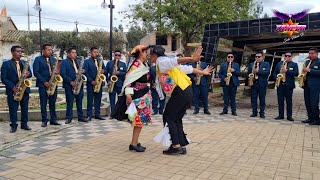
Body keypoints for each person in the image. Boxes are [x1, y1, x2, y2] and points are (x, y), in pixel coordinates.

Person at [149, 45, 213, 155]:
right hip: (186, 92)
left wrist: (192, 59)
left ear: (154, 54)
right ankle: (181, 144)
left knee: (169, 116)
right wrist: (202, 72)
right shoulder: (167, 65)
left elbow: (177, 60)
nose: (149, 57)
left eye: (150, 54)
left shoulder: (161, 61)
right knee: (176, 118)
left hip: (180, 92)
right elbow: (188, 69)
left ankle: (175, 146)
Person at [121, 45, 151, 152]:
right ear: (140, 53)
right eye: (145, 52)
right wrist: (128, 94)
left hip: (143, 95)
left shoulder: (144, 64)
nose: (147, 54)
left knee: (140, 121)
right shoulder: (136, 65)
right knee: (138, 120)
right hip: (138, 96)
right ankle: (133, 143)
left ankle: (135, 141)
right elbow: (128, 79)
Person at [1, 46, 33, 133]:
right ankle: (14, 126)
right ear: (12, 52)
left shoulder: (24, 62)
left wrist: (28, 73)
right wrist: (12, 87)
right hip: (13, 90)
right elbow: (3, 78)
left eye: (21, 51)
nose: (20, 53)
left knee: (25, 108)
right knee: (13, 109)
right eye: (18, 51)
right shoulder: (6, 64)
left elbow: (30, 74)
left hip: (24, 89)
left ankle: (24, 124)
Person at [33, 44, 61, 127]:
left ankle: (53, 119)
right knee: (43, 103)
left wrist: (56, 73)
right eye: (48, 49)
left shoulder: (53, 59)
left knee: (52, 103)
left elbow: (55, 71)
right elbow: (36, 72)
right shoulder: (38, 59)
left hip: (52, 84)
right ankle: (44, 120)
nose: (50, 51)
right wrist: (44, 82)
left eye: (51, 49)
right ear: (43, 50)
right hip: (43, 84)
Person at [60, 47, 88, 124]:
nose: (75, 54)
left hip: (79, 84)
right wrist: (70, 81)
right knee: (70, 102)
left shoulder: (78, 61)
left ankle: (80, 117)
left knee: (79, 101)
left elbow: (84, 70)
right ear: (68, 54)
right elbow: (62, 73)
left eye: (75, 52)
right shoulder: (64, 62)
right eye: (73, 52)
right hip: (69, 85)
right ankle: (69, 118)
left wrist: (83, 71)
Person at [273, 51, 299, 121]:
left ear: (291, 57)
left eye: (289, 56)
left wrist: (287, 71)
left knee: (289, 101)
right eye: (286, 56)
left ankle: (289, 116)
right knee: (280, 101)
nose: (287, 57)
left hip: (289, 85)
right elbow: (275, 72)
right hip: (280, 85)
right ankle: (280, 115)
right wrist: (277, 77)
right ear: (284, 56)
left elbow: (296, 73)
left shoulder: (294, 64)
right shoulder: (279, 63)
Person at [83, 47, 106, 121]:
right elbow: (86, 72)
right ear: (90, 53)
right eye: (94, 52)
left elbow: (105, 70)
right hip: (91, 83)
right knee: (90, 100)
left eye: (97, 52)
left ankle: (97, 114)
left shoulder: (100, 60)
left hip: (99, 83)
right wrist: (91, 81)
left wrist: (103, 71)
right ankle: (89, 115)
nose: (96, 53)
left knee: (98, 100)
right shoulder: (87, 61)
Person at [247, 52, 270, 118]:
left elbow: (267, 72)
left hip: (262, 84)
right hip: (254, 83)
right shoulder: (252, 64)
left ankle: (262, 113)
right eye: (256, 57)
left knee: (262, 99)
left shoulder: (266, 64)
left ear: (262, 57)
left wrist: (258, 72)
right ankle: (254, 112)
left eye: (259, 57)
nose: (257, 58)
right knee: (253, 99)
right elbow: (248, 72)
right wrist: (250, 76)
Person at [301, 48, 320, 125]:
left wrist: (309, 70)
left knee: (314, 103)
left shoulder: (319, 62)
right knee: (307, 102)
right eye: (309, 53)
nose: (310, 55)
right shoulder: (307, 62)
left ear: (317, 54)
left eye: (312, 53)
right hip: (306, 85)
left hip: (315, 86)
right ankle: (310, 118)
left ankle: (316, 119)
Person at [105, 50, 127, 115]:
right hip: (111, 83)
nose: (117, 56)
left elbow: (125, 73)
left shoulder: (123, 64)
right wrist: (107, 81)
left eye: (119, 55)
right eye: (116, 55)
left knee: (121, 100)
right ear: (114, 56)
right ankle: (113, 113)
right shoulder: (109, 63)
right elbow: (106, 72)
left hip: (120, 84)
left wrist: (119, 72)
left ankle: (120, 113)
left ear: (120, 56)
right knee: (112, 100)